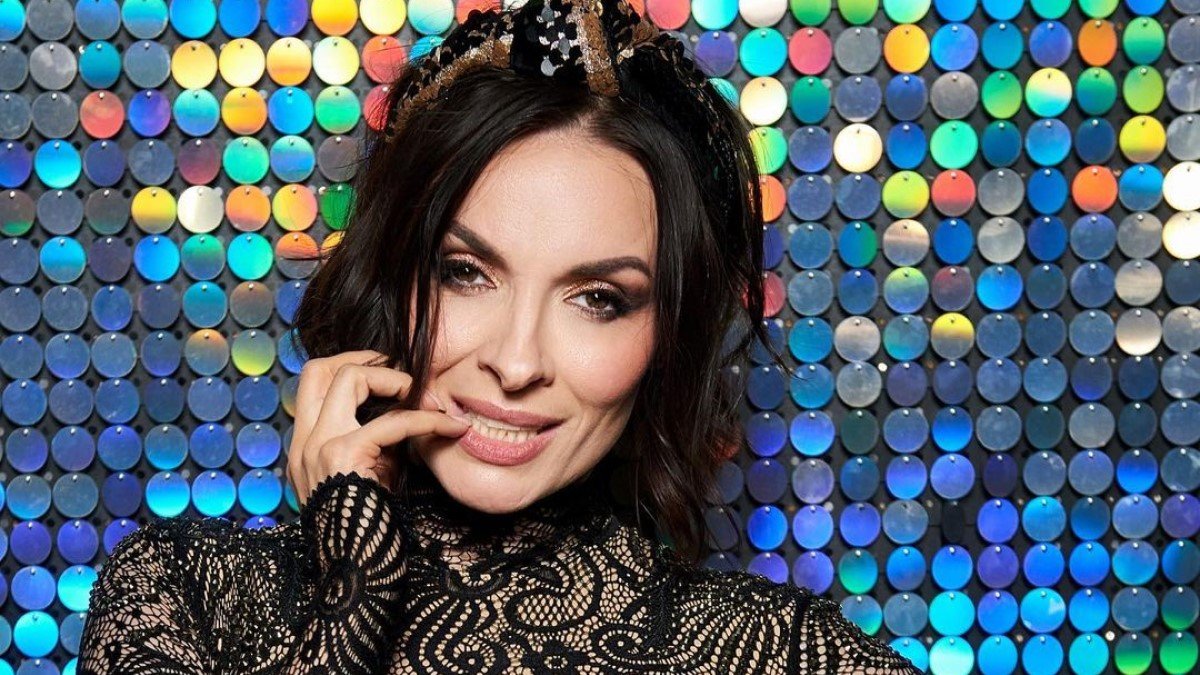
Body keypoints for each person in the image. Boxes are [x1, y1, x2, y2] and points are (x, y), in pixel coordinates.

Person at [76, 0, 924, 672]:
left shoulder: (771, 650)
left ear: (666, 334)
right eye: (465, 272)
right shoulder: (182, 593)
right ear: (393, 271)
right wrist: (352, 588)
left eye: (599, 299)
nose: (516, 363)